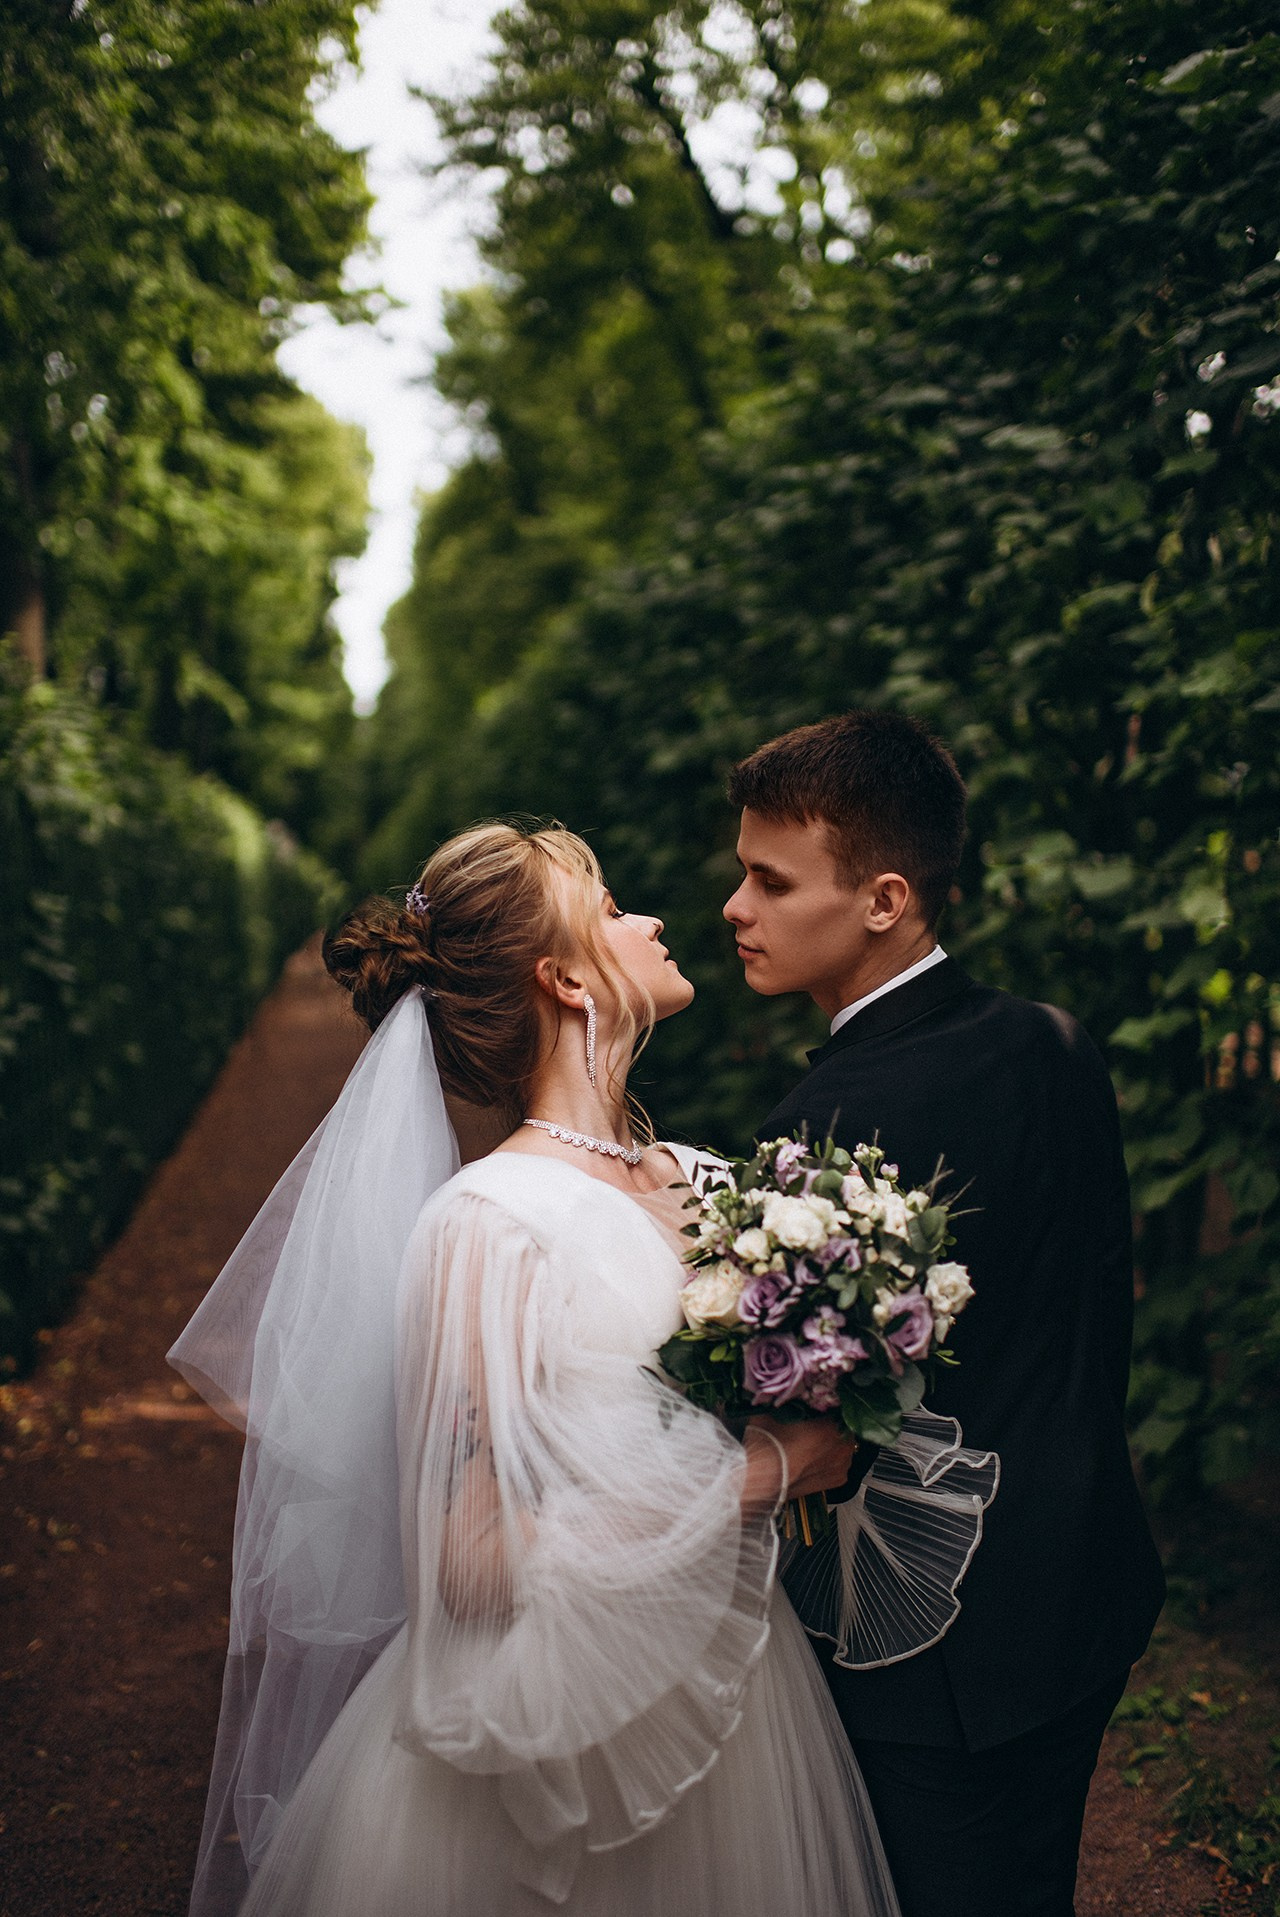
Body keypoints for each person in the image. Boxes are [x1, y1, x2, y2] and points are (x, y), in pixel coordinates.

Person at [170, 821, 987, 1917]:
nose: (651, 919)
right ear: (562, 978)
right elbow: (467, 1563)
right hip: (559, 1720)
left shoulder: (700, 1181)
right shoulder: (487, 1224)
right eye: (609, 908)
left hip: (732, 1679)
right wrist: (761, 1475)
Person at [723, 709, 1167, 1917]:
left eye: (771, 880)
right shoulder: (1053, 1044)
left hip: (923, 1648)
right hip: (1085, 1582)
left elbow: (808, 1423)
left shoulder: (819, 1132)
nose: (734, 907)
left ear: (883, 899)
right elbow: (1090, 1321)